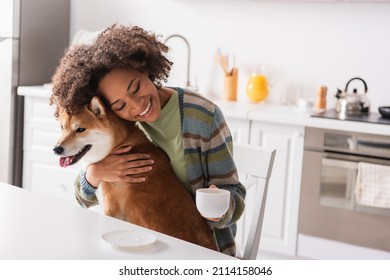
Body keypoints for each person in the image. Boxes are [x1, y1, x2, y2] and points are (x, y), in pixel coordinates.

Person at [50, 24, 245, 257]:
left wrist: (219, 207)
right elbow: (82, 199)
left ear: (145, 70)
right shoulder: (117, 127)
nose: (137, 106)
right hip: (141, 247)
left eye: (136, 87)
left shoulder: (202, 117)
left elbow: (234, 195)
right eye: (120, 105)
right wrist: (95, 173)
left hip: (202, 250)